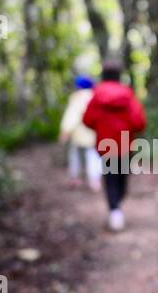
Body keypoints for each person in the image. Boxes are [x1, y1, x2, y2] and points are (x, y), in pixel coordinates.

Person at [82, 59, 146, 231]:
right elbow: (139, 122)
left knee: (110, 177)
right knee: (121, 176)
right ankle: (116, 207)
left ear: (103, 75)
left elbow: (87, 119)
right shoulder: (128, 94)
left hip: (105, 144)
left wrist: (101, 126)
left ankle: (115, 210)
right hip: (125, 144)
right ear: (119, 75)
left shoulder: (97, 95)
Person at [58, 75, 102, 191]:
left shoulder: (77, 98)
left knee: (75, 156)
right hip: (94, 134)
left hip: (78, 135)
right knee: (94, 157)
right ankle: (95, 181)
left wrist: (65, 131)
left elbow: (71, 116)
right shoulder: (97, 97)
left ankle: (75, 179)